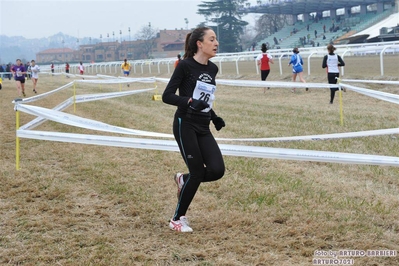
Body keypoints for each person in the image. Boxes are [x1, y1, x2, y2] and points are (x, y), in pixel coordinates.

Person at [162, 27, 226, 233]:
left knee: (217, 170)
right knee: (198, 171)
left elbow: (205, 97)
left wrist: (214, 116)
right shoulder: (185, 66)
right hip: (185, 124)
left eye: (216, 39)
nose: (216, 43)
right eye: (212, 39)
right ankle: (177, 219)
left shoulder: (213, 69)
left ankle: (184, 179)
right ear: (200, 43)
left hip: (203, 125)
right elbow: (167, 95)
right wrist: (189, 101)